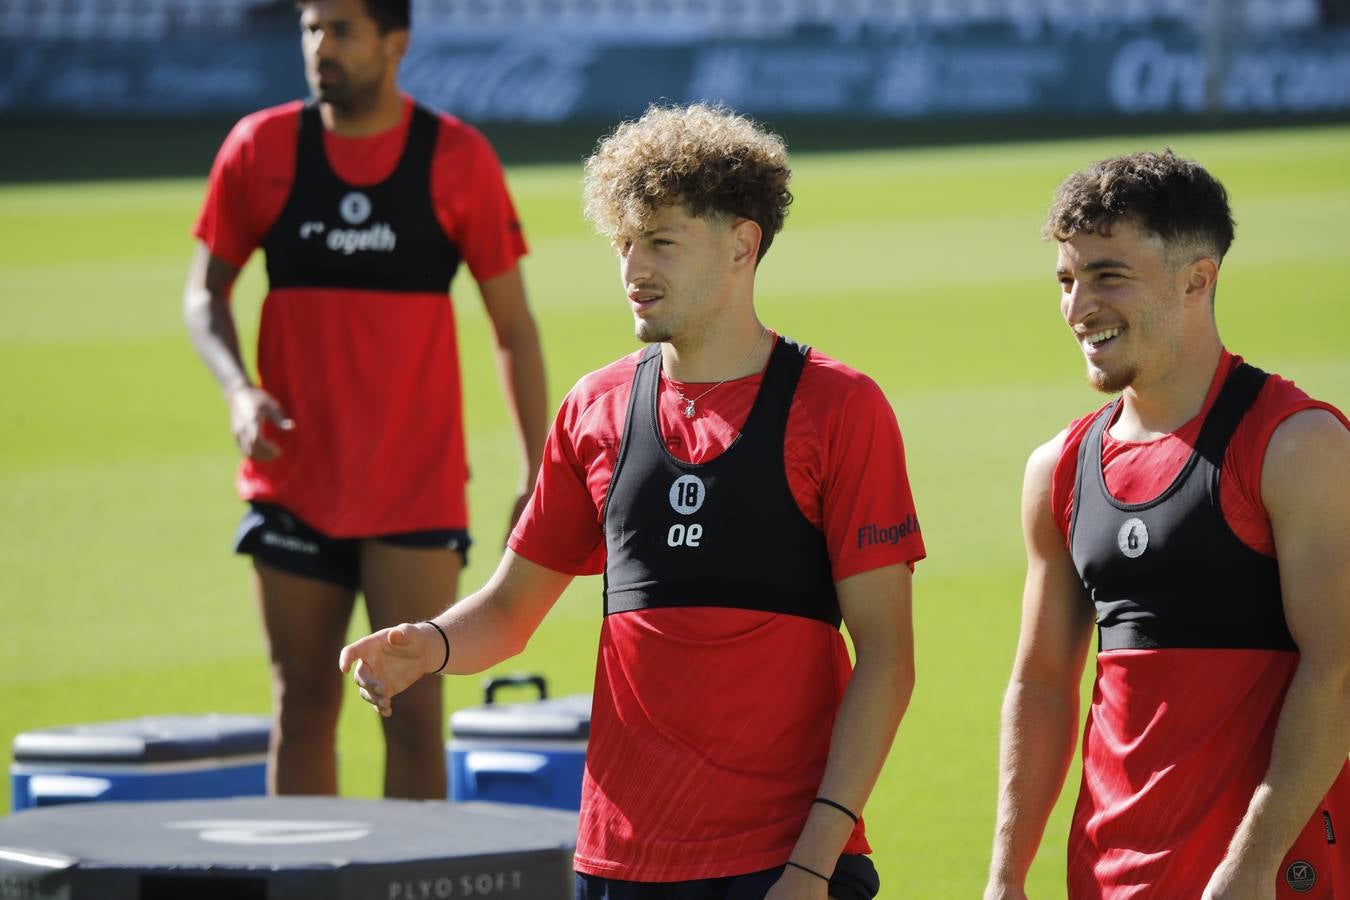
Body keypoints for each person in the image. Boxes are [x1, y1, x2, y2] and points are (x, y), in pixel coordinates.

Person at [340, 102, 924, 899]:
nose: (634, 269)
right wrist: (429, 646)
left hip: (783, 861)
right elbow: (511, 612)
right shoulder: (595, 407)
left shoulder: (840, 408)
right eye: (624, 243)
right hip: (617, 862)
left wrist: (813, 864)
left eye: (662, 242)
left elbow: (888, 659)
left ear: (741, 246)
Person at [182, 0, 547, 800]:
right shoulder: (260, 147)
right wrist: (238, 390)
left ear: (396, 43)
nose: (320, 46)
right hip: (294, 486)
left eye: (341, 29)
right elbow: (205, 296)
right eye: (311, 28)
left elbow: (514, 327)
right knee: (302, 706)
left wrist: (533, 470)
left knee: (413, 713)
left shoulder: (457, 158)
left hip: (415, 489)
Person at [983, 149, 1350, 899]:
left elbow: (1339, 669)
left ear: (1197, 278)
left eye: (1108, 274)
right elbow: (1042, 684)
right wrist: (1006, 875)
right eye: (1067, 279)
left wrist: (1250, 865)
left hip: (1267, 879)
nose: (1079, 305)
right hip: (1105, 878)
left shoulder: (1295, 444)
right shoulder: (1060, 468)